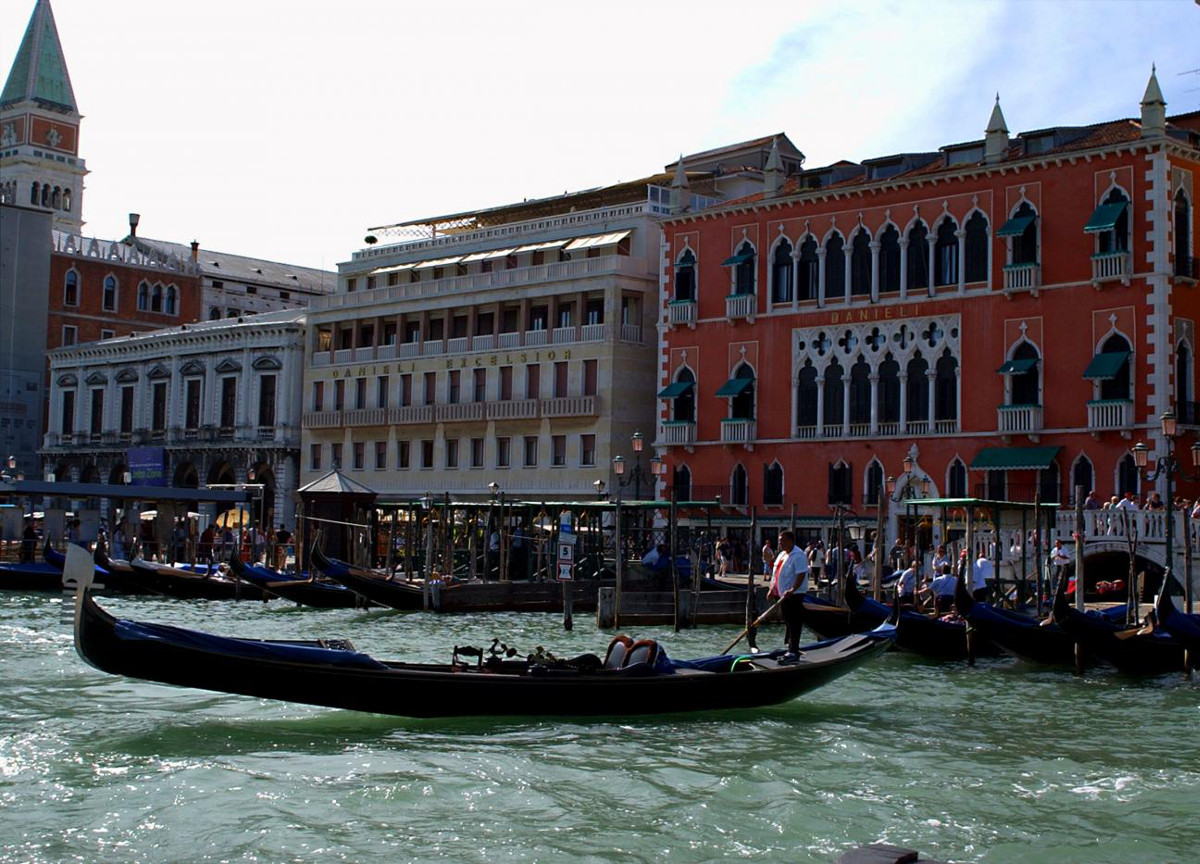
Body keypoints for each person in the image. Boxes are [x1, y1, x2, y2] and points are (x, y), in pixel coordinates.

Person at [769, 530, 811, 656]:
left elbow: (801, 574)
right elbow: (775, 574)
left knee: (794, 621)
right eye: (780, 541)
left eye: (783, 540)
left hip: (794, 594)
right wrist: (771, 589)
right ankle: (790, 646)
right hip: (782, 594)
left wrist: (793, 589)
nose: (780, 543)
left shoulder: (799, 555)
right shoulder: (782, 554)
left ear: (791, 540)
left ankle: (793, 650)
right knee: (787, 620)